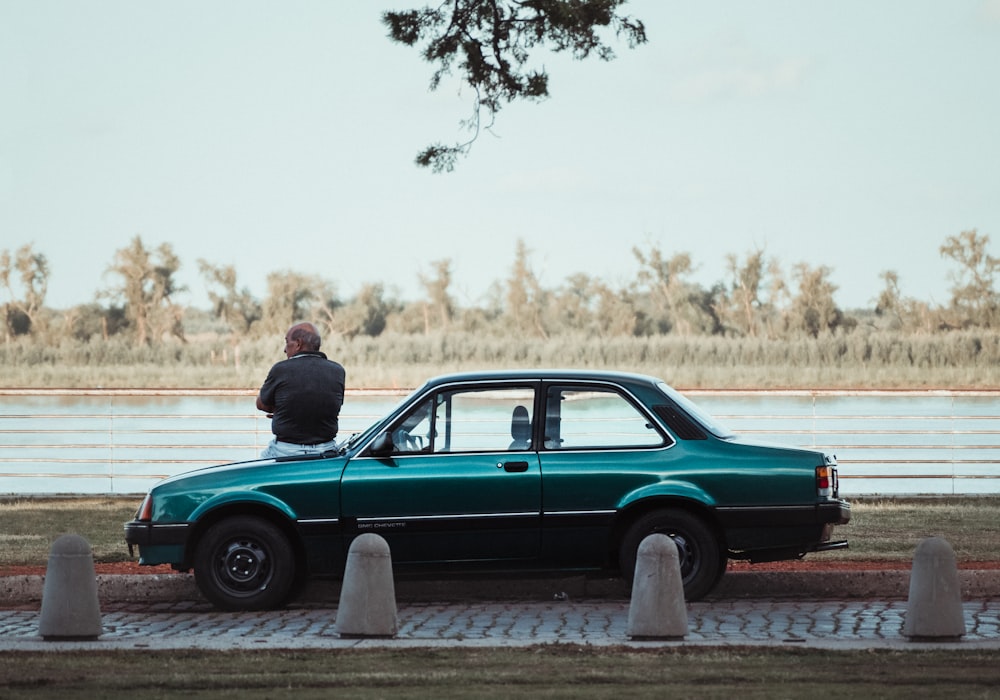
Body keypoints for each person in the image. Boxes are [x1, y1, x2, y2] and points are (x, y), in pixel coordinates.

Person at [256, 322, 345, 458]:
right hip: (326, 452)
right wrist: (291, 409)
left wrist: (286, 410)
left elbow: (261, 404)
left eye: (287, 342)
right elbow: (332, 405)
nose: (285, 350)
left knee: (254, 473)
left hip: (285, 451)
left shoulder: (281, 369)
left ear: (298, 343)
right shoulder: (338, 371)